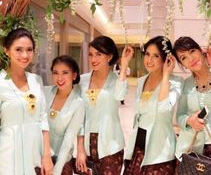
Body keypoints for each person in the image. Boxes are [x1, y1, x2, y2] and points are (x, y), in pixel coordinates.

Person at [173, 37, 211, 174]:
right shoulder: (187, 85)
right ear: (183, 65)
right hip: (193, 151)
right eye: (183, 57)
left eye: (192, 51)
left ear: (201, 51)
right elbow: (180, 116)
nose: (190, 58)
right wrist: (189, 121)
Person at [123, 36, 183, 175]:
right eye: (147, 54)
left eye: (156, 56)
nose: (149, 60)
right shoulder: (141, 81)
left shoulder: (175, 82)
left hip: (160, 149)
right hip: (138, 146)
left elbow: (163, 110)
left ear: (166, 58)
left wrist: (166, 75)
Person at [76, 36, 133, 175]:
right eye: (91, 54)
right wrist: (80, 149)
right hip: (87, 147)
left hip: (111, 147)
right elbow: (79, 117)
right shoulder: (82, 81)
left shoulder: (117, 80)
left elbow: (120, 96)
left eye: (98, 54)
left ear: (109, 57)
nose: (93, 59)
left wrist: (124, 65)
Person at [0, 28, 53, 175]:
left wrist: (47, 155)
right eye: (18, 49)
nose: (25, 55)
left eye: (29, 50)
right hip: (7, 156)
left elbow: (43, 118)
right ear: (6, 50)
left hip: (34, 153)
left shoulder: (36, 80)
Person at [44, 55, 86, 175]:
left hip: (61, 161)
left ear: (74, 75)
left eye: (65, 73)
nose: (60, 78)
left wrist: (56, 171)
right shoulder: (45, 92)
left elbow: (68, 139)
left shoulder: (78, 103)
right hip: (41, 158)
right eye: (55, 73)